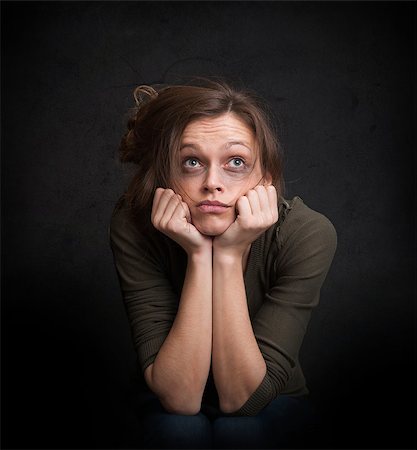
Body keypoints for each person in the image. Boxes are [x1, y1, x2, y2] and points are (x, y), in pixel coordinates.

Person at [109, 79, 337, 448]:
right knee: (178, 430)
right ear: (167, 176)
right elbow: (180, 400)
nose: (212, 183)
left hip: (275, 403)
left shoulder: (307, 232)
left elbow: (241, 401)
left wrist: (228, 255)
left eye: (235, 162)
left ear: (266, 179)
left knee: (241, 433)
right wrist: (200, 255)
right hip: (167, 402)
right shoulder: (134, 224)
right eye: (192, 162)